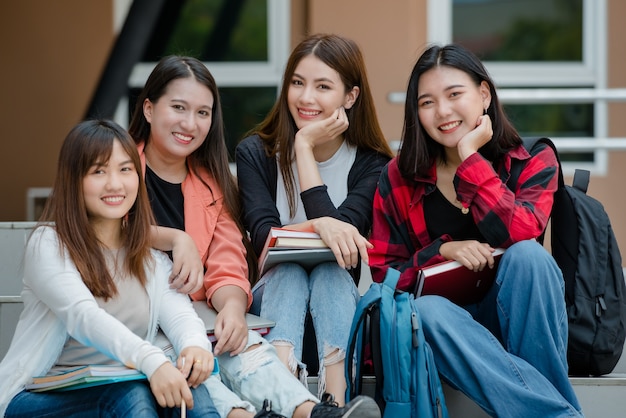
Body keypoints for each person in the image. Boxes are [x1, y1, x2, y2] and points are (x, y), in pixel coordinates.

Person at [128, 54, 380, 418]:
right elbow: (104, 228)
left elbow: (228, 258)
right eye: (178, 108)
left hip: (206, 315)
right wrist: (174, 238)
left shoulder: (212, 184)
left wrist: (231, 306)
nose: (190, 123)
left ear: (350, 97)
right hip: (143, 321)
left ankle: (325, 409)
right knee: (205, 361)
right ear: (149, 109)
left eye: (202, 113)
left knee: (247, 342)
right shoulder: (118, 166)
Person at [368, 43, 584, 417]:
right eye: (427, 102)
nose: (443, 111)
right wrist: (442, 252)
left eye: (454, 95)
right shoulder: (398, 177)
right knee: (427, 311)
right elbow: (382, 275)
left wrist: (470, 157)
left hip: (523, 324)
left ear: (484, 94)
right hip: (454, 339)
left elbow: (521, 232)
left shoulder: (532, 159)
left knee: (529, 256)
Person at [0, 119, 219, 417]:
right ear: (73, 179)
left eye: (125, 169)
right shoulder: (49, 244)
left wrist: (194, 348)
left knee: (191, 393)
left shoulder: (150, 258)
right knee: (131, 397)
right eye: (98, 171)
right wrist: (153, 361)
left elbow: (180, 316)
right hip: (41, 397)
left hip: (127, 387)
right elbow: (83, 317)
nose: (115, 184)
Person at [236, 33, 394, 405]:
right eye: (297, 83)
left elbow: (344, 246)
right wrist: (320, 224)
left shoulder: (373, 165)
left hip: (335, 307)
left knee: (329, 270)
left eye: (322, 86)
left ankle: (334, 398)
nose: (306, 97)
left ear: (350, 97)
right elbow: (262, 236)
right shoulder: (255, 153)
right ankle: (279, 397)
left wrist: (304, 148)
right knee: (288, 271)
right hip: (269, 305)